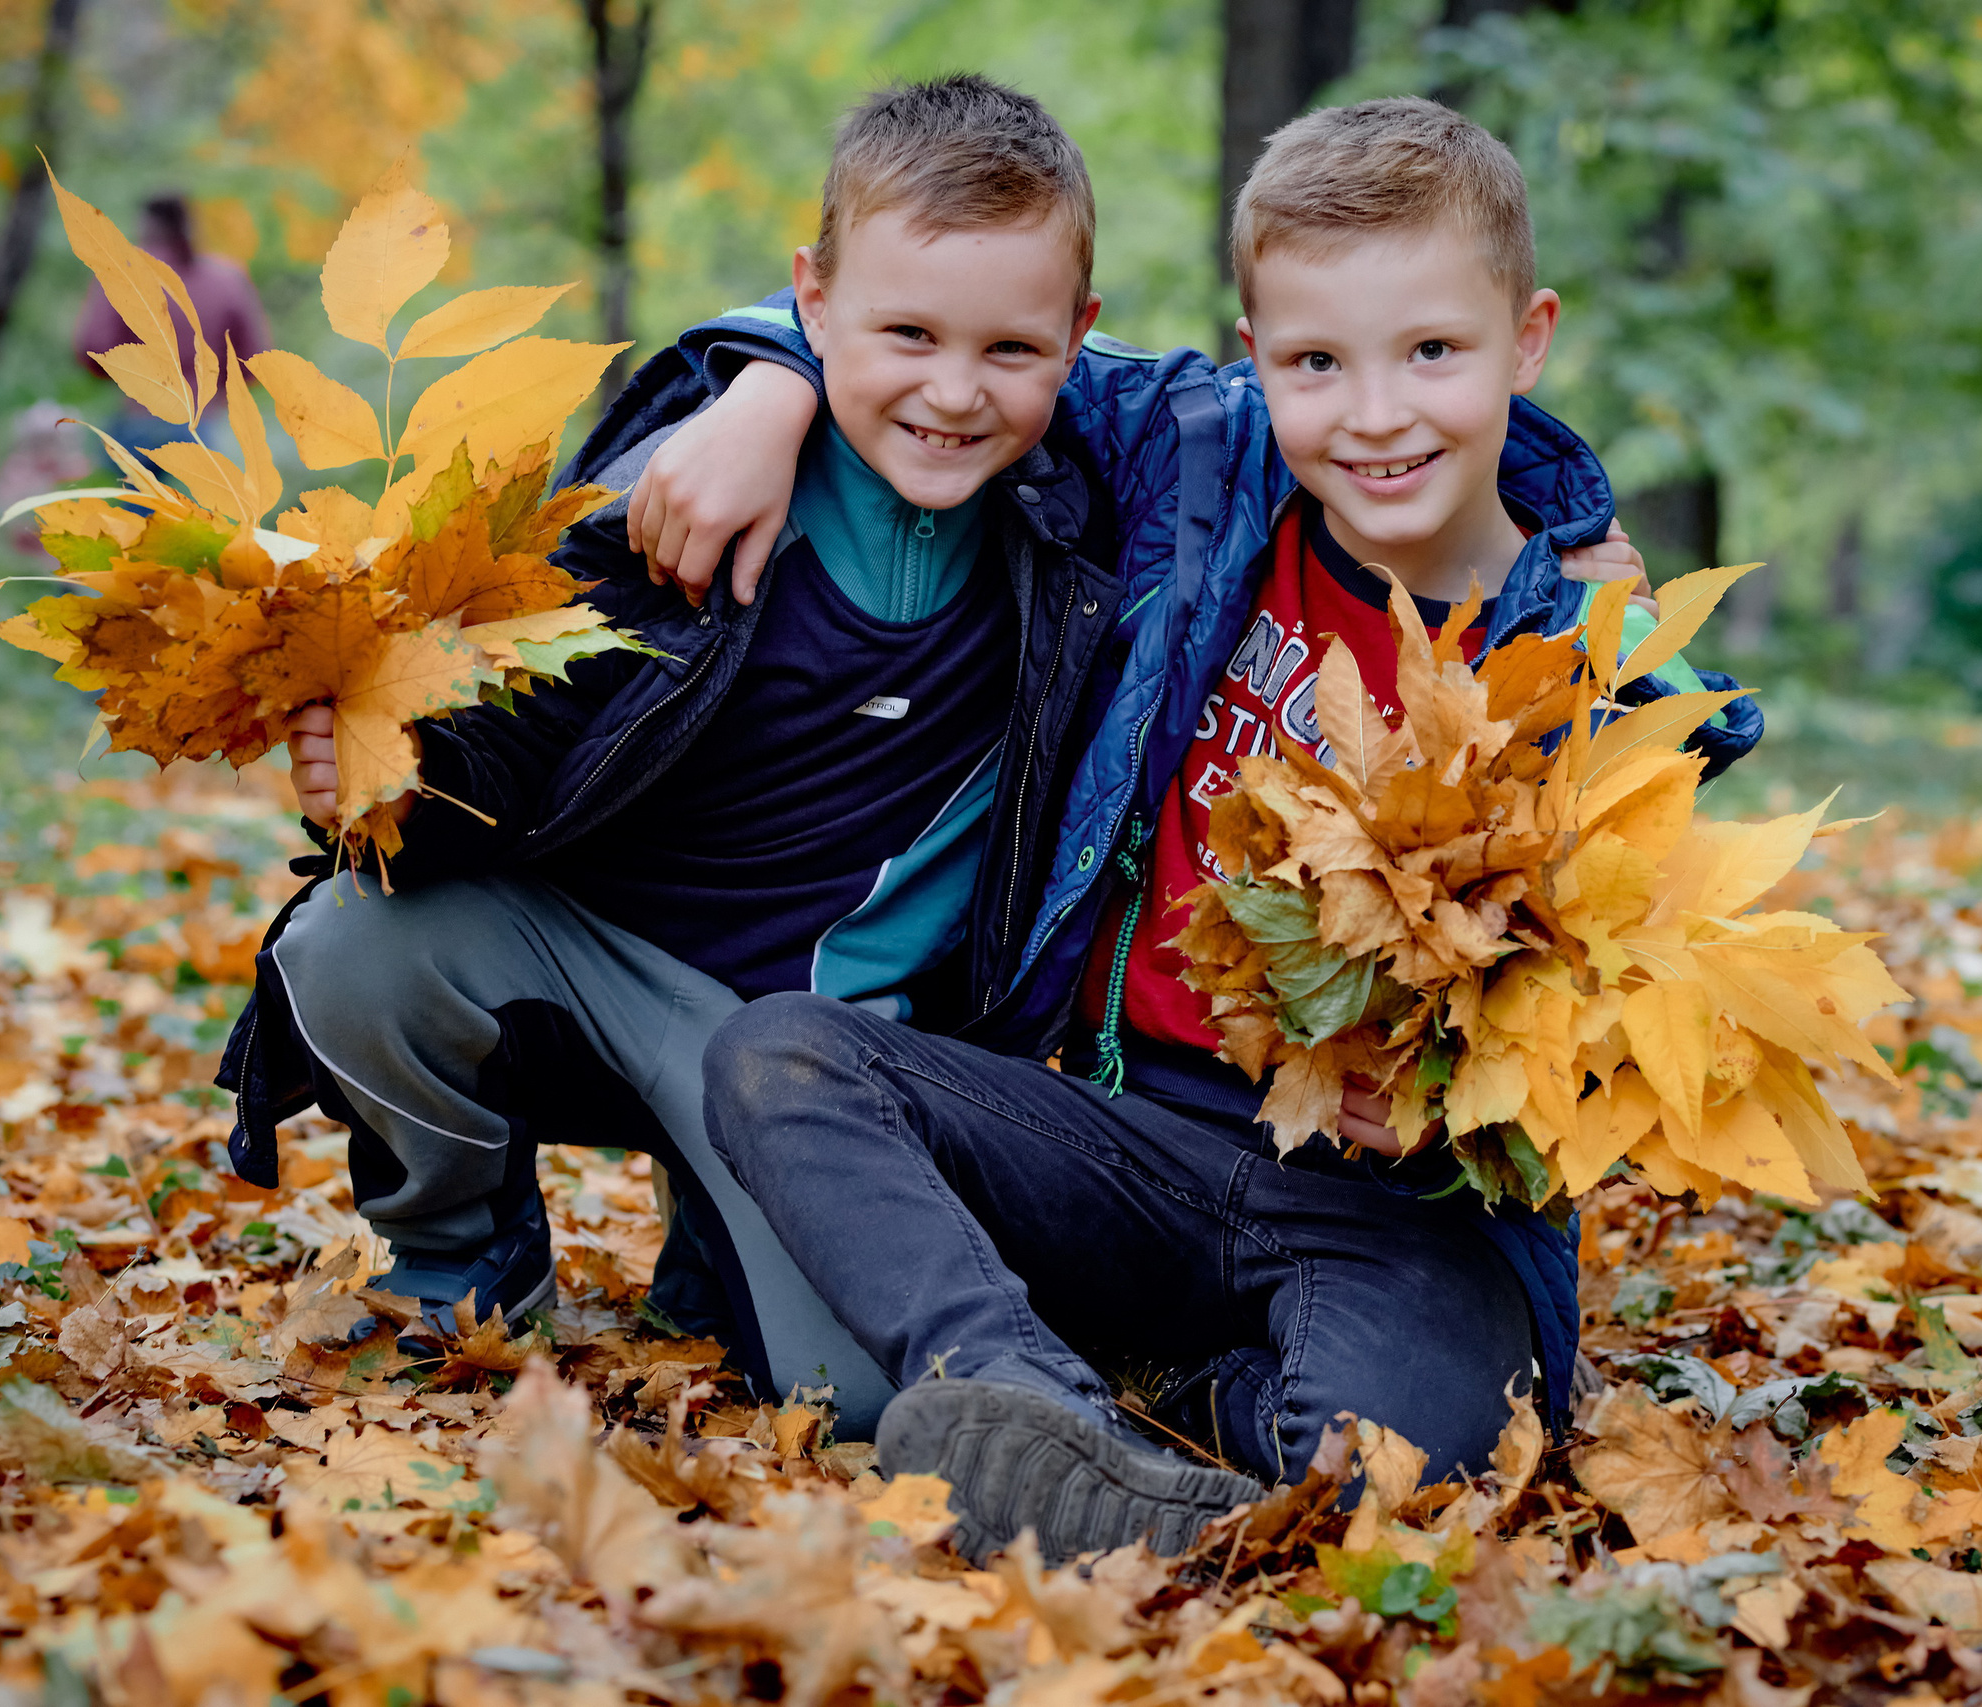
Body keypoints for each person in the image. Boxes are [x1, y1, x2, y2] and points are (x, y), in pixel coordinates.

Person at [644, 98, 1759, 1562]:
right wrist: (764, 390)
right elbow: (950, 336)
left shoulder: (1597, 669)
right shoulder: (1200, 467)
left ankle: (1181, 1411)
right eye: (1316, 362)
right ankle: (1020, 1392)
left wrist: (1486, 1102)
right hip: (1129, 1137)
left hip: (1393, 1212)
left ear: (1527, 338)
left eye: (1432, 351)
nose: (1375, 414)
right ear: (1255, 355)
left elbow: (1644, 1027)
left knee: (1401, 1469)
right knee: (782, 1054)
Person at [213, 77, 1144, 1444]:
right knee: (352, 943)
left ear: (1079, 333)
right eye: (905, 334)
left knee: (856, 1402)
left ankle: (718, 1237)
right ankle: (457, 1253)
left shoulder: (1082, 522)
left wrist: (777, 374)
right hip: (595, 968)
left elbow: (1304, 400)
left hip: (822, 1055)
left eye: (1010, 348)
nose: (954, 391)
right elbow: (523, 724)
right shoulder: (689, 490)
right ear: (812, 299)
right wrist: (393, 776)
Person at [73, 193, 270, 452]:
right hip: (204, 423)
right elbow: (252, 359)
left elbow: (94, 347)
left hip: (139, 418)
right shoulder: (227, 278)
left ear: (145, 225)